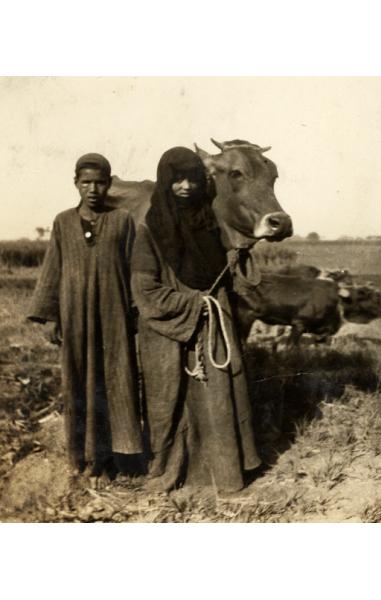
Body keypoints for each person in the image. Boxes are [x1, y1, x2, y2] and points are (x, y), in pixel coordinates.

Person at [131, 146, 261, 493]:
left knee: (217, 401)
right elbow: (144, 290)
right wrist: (193, 306)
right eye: (177, 180)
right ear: (165, 182)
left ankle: (224, 475)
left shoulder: (213, 225)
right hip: (168, 331)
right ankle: (171, 471)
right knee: (169, 402)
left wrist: (239, 256)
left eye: (192, 179)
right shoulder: (149, 230)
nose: (186, 187)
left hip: (213, 328)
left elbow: (237, 280)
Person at [28, 153, 143, 482]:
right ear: (76, 184)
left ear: (109, 184)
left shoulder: (122, 221)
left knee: (115, 383)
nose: (93, 189)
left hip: (114, 316)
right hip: (74, 316)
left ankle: (113, 460)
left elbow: (134, 269)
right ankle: (81, 458)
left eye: (100, 182)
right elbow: (53, 268)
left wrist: (135, 313)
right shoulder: (63, 222)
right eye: (86, 182)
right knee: (79, 384)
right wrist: (51, 317)